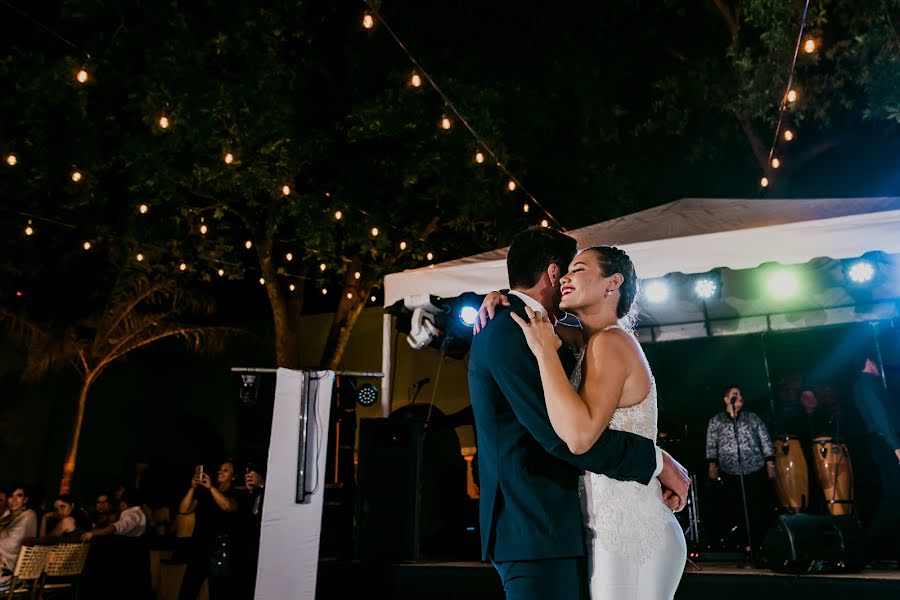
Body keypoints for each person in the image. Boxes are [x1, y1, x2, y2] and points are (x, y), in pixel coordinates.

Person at [468, 228, 689, 600]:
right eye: (567, 270)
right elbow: (561, 436)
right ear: (554, 274)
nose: (568, 278)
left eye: (579, 270)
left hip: (598, 528)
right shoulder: (515, 329)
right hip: (536, 528)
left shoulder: (580, 337)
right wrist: (654, 461)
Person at [705, 385, 775, 558]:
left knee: (757, 506)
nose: (740, 397)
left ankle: (761, 544)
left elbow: (764, 439)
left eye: (741, 394)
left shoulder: (752, 418)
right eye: (735, 394)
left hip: (754, 468)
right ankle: (744, 544)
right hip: (730, 471)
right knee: (738, 506)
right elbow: (711, 443)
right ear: (726, 399)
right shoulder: (717, 421)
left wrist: (770, 463)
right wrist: (712, 465)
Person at [853, 358, 900, 563]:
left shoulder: (863, 384)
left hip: (883, 443)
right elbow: (880, 417)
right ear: (869, 361)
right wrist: (896, 446)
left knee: (895, 497)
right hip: (886, 443)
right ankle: (866, 549)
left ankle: (877, 549)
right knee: (895, 497)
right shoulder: (867, 384)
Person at [178, 461, 239, 600]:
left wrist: (211, 488)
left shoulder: (235, 493)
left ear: (233, 477)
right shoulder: (205, 493)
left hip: (219, 553)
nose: (220, 472)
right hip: (199, 548)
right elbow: (183, 510)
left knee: (218, 593)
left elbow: (228, 507)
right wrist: (192, 488)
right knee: (187, 592)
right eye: (220, 469)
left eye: (226, 470)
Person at [0, 486, 38, 592]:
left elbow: (12, 544)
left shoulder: (29, 516)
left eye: (19, 495)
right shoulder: (6, 514)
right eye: (11, 496)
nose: (14, 500)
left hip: (13, 569)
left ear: (25, 499)